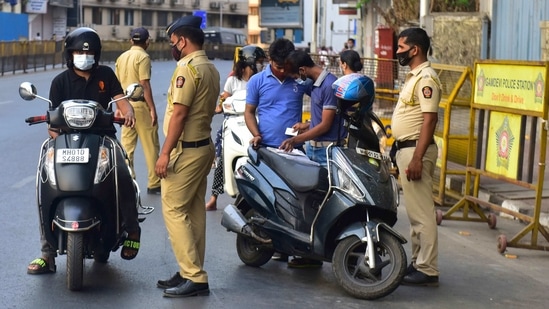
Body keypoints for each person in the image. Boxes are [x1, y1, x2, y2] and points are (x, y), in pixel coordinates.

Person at [27, 27, 140, 275]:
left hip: (102, 141)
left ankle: (132, 228)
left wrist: (128, 110)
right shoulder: (60, 82)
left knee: (123, 174)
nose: (83, 56)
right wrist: (56, 136)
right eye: (78, 51)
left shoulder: (106, 75)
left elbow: (121, 100)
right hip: (67, 143)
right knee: (43, 183)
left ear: (96, 55)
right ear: (70, 54)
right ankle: (47, 253)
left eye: (88, 52)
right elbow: (52, 126)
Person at [155, 15, 220, 298]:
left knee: (173, 210)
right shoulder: (210, 67)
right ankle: (188, 271)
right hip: (203, 147)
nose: (173, 48)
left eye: (173, 43)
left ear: (182, 41)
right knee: (193, 212)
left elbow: (179, 115)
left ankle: (194, 276)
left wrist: (165, 153)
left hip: (186, 151)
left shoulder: (187, 69)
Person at [244, 38, 311, 266]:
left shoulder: (301, 80)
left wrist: (310, 125)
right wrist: (255, 134)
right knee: (272, 202)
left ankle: (301, 249)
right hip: (267, 151)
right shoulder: (257, 81)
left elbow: (323, 104)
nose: (283, 71)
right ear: (270, 60)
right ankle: (276, 245)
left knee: (297, 202)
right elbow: (249, 112)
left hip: (295, 152)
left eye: (287, 66)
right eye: (279, 66)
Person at [390, 27, 441, 287]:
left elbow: (429, 120)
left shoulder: (426, 78)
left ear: (415, 49)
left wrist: (418, 158)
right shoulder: (413, 77)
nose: (397, 52)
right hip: (407, 149)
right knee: (414, 213)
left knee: (422, 214)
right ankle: (418, 261)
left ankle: (427, 268)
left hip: (416, 151)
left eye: (401, 48)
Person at [205, 45, 266, 211]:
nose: (262, 65)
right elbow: (222, 101)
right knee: (221, 158)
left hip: (255, 125)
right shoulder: (233, 81)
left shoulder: (262, 80)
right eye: (259, 62)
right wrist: (215, 108)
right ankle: (213, 198)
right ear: (250, 61)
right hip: (233, 124)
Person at [115, 27, 162, 195]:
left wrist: (118, 108)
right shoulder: (143, 57)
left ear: (130, 41)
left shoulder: (121, 58)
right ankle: (154, 182)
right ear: (147, 41)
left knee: (127, 146)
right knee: (150, 145)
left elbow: (117, 87)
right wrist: (152, 109)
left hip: (125, 105)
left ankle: (129, 180)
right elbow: (144, 84)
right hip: (140, 106)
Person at [280, 50, 345, 167]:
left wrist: (295, 140)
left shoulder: (329, 85)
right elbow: (322, 118)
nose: (296, 80)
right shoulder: (315, 84)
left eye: (295, 77)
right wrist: (307, 125)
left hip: (326, 152)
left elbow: (325, 125)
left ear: (302, 70)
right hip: (313, 148)